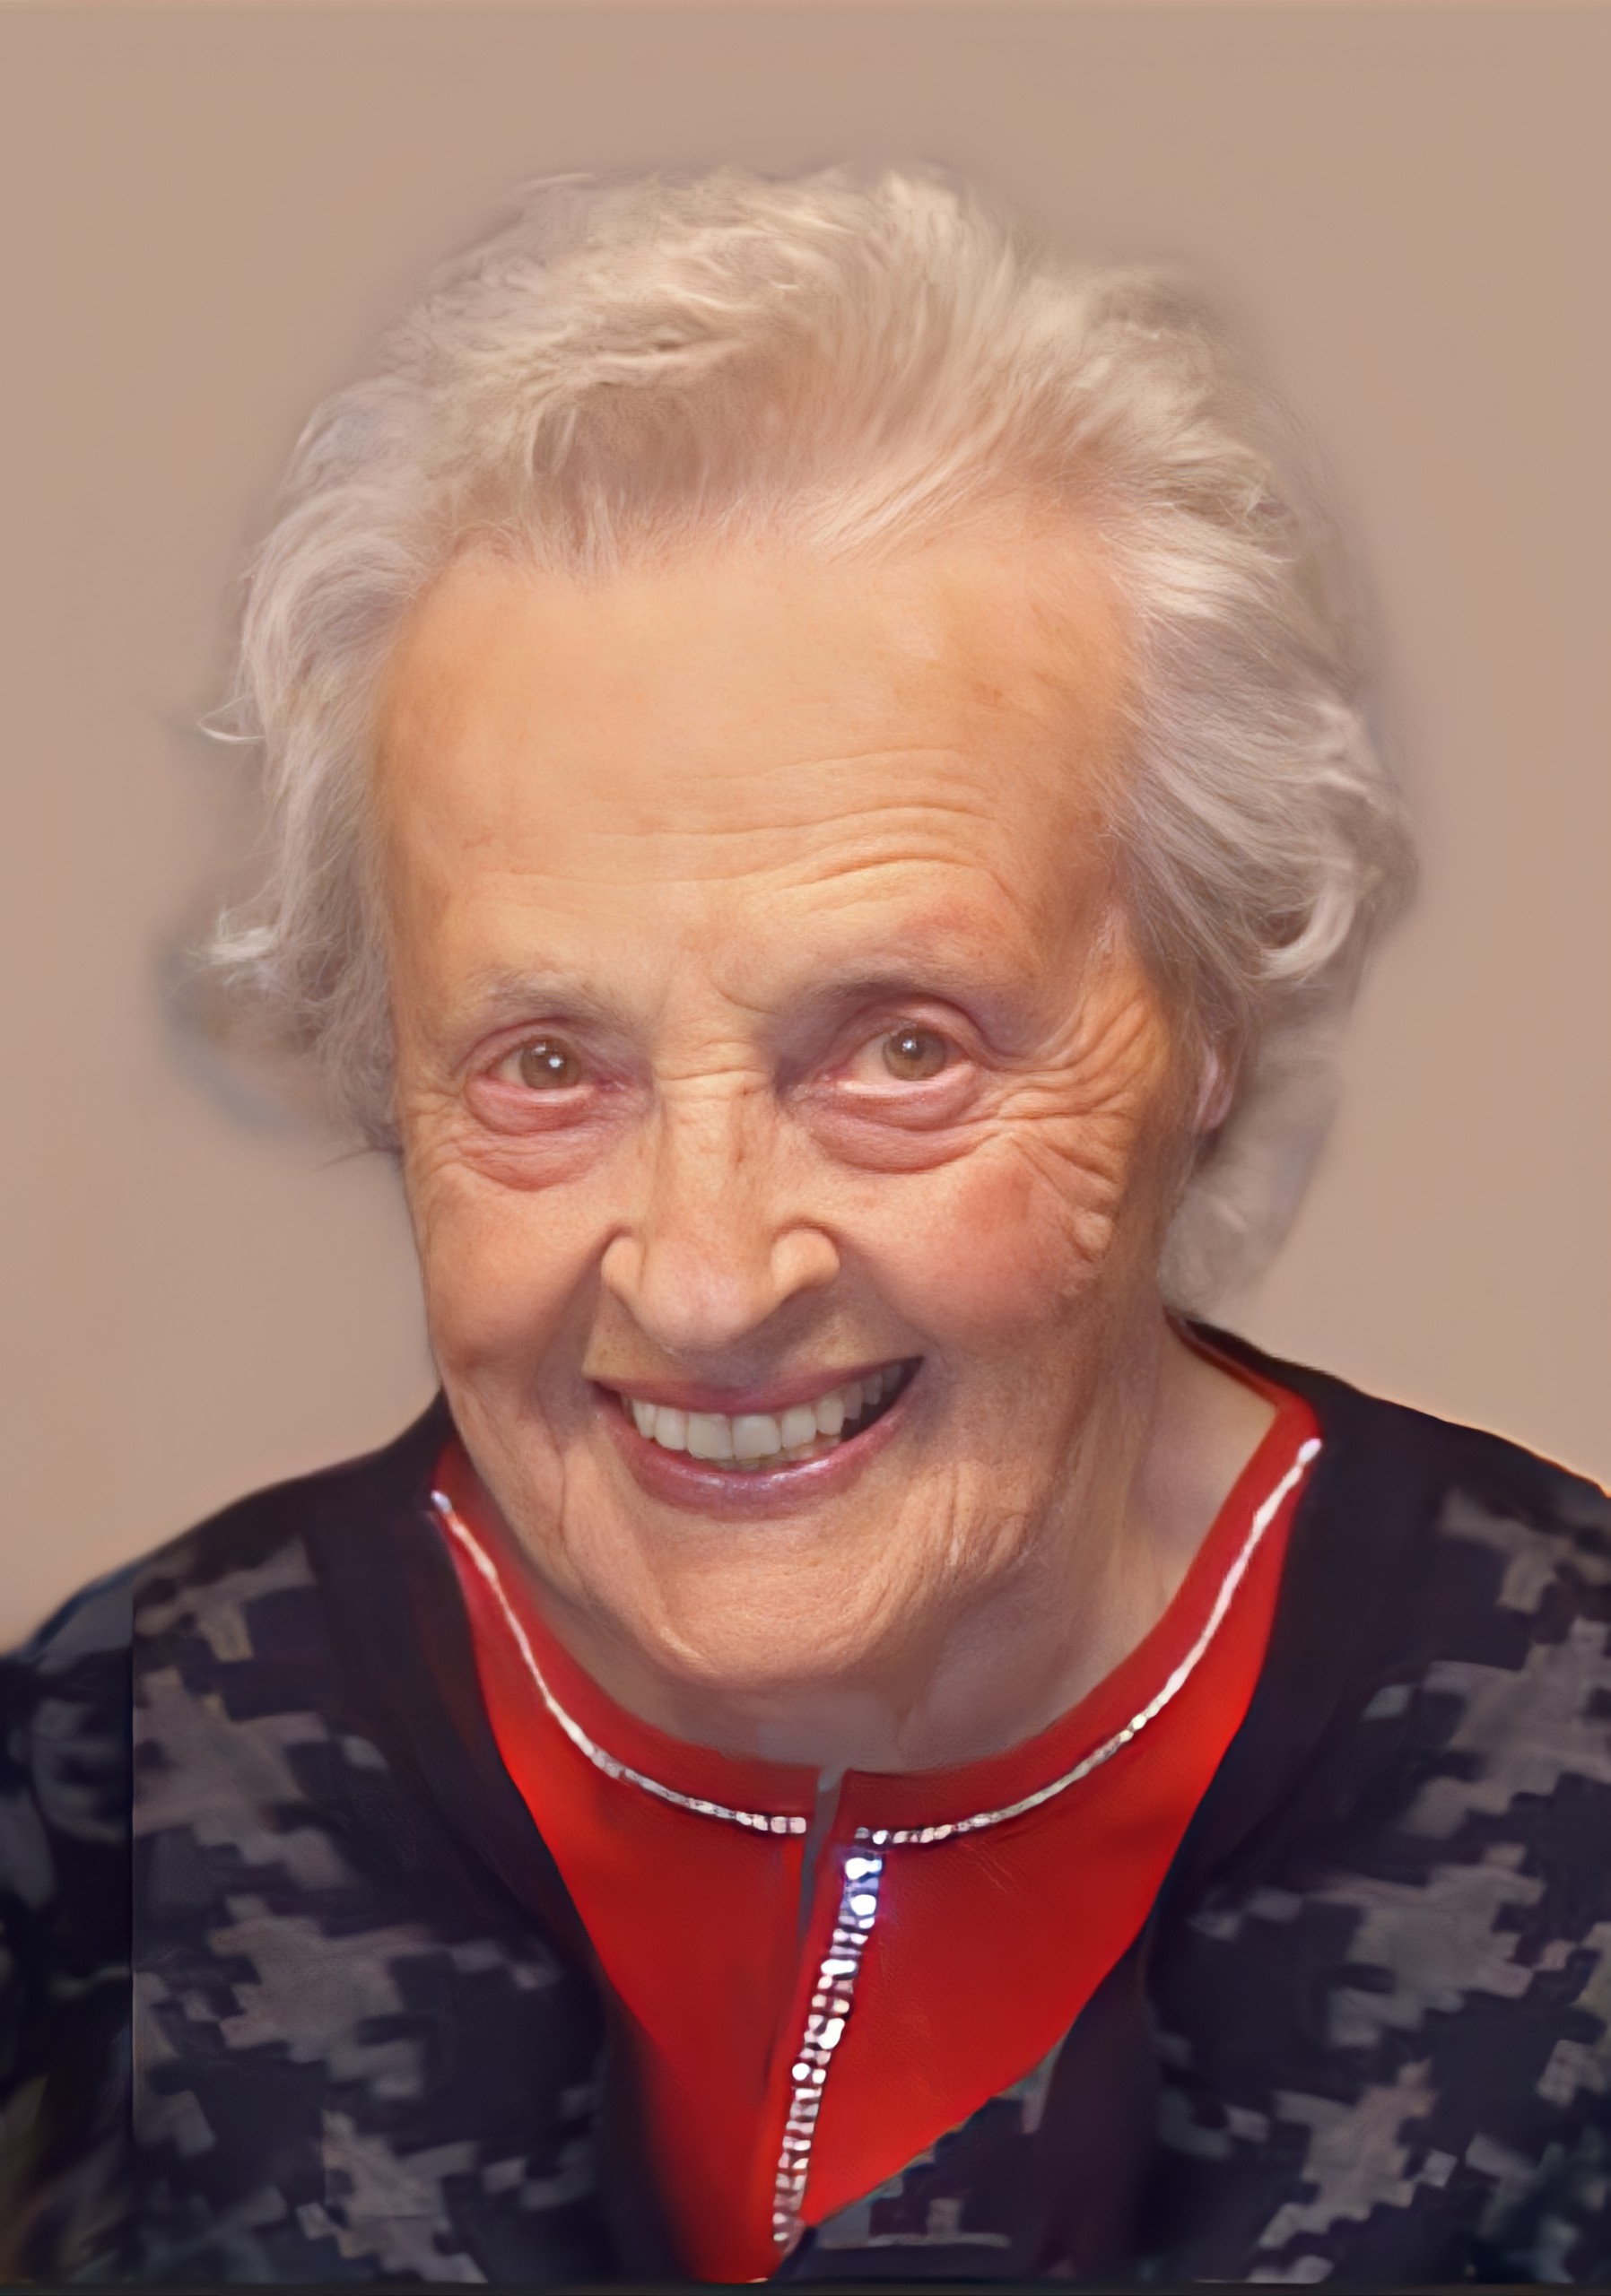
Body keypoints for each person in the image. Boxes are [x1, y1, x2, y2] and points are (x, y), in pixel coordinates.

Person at [2, 165, 1606, 2288]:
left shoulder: (1567, 1769)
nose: (702, 1273)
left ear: (1203, 1023)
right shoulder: (133, 1758)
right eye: (547, 1062)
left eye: (901, 1048)